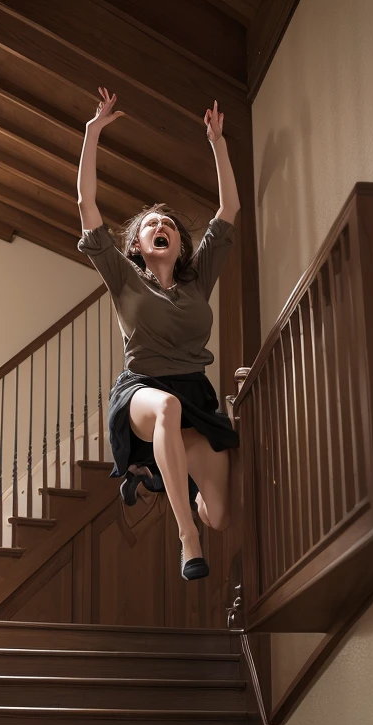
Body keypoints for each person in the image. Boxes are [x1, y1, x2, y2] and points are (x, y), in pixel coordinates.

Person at [76, 87, 241, 581]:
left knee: (221, 513)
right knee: (165, 409)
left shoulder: (197, 279)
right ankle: (186, 537)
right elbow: (86, 201)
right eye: (151, 224)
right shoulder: (123, 277)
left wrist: (218, 144)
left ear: (177, 243)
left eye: (168, 221)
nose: (161, 224)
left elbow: (228, 209)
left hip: (196, 392)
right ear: (139, 246)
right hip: (144, 391)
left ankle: (155, 477)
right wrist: (92, 133)